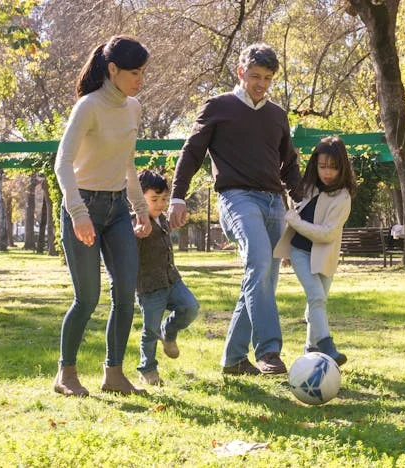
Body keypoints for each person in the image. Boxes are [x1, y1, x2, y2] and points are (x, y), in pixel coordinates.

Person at [168, 43, 301, 376]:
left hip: (273, 202)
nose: (261, 84)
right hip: (236, 199)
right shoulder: (218, 107)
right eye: (255, 76)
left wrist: (299, 202)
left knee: (263, 279)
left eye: (267, 78)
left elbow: (289, 164)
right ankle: (269, 350)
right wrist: (177, 196)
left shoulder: (277, 115)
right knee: (259, 263)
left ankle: (234, 359)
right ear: (241, 72)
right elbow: (192, 152)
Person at [53, 36, 151, 397]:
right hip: (83, 206)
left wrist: (140, 209)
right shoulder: (88, 107)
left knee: (126, 294)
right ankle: (66, 374)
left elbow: (128, 163)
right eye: (134, 72)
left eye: (143, 72)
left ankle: (114, 374)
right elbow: (62, 162)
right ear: (112, 69)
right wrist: (78, 212)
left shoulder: (133, 108)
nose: (140, 79)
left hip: (117, 210)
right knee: (87, 298)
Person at [273, 136, 356, 366]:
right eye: (322, 166)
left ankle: (310, 350)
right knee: (316, 296)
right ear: (315, 165)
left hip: (325, 257)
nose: (327, 172)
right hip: (300, 251)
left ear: (342, 167)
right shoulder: (305, 187)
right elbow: (293, 204)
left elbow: (327, 233)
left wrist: (295, 222)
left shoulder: (343, 197)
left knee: (317, 302)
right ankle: (327, 346)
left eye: (333, 167)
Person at [134, 170, 200, 386]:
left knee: (190, 307)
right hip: (150, 286)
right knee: (150, 330)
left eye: (164, 199)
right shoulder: (133, 222)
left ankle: (168, 332)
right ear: (138, 198)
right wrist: (135, 235)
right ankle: (147, 369)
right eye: (154, 199)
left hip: (172, 280)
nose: (160, 204)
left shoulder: (162, 218)